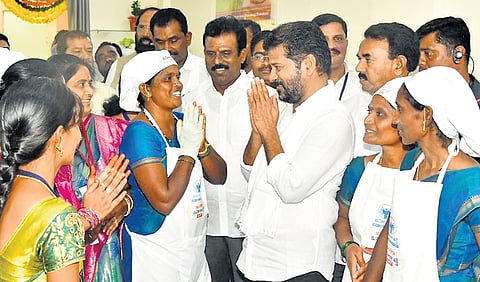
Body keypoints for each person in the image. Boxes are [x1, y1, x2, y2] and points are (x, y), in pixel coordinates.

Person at [236, 21, 354, 281]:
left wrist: (268, 131)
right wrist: (259, 129)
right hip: (255, 259)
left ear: (308, 65)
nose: (272, 76)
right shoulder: (287, 107)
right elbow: (250, 173)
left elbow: (291, 187)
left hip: (297, 268)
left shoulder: (333, 119)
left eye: (279, 67)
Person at [119, 50, 227, 281]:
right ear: (145, 89)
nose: (178, 84)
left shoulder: (183, 123)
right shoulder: (140, 133)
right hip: (154, 249)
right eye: (167, 79)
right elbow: (164, 201)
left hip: (193, 246)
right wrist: (188, 152)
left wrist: (202, 144)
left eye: (177, 76)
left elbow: (219, 176)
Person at [365, 66, 480, 281]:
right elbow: (392, 228)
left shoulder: (472, 183)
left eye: (401, 109)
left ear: (426, 115)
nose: (395, 120)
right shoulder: (411, 162)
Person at [48, 54, 131, 282]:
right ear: (58, 88)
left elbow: (132, 186)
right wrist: (87, 217)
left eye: (90, 84)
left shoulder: (113, 131)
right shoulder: (45, 139)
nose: (90, 92)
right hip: (63, 249)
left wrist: (122, 205)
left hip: (109, 246)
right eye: (81, 85)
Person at [0, 78, 85, 281]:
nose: (80, 136)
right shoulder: (59, 219)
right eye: (75, 125)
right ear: (58, 136)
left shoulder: (11, 187)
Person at [334, 77, 415, 282]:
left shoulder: (421, 176)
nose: (368, 120)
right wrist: (348, 246)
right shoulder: (359, 169)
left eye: (380, 114)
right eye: (369, 111)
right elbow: (341, 218)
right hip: (357, 273)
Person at [196, 15, 254, 282]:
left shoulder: (261, 96)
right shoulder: (193, 97)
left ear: (243, 55)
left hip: (249, 224)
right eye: (210, 53)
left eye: (226, 53)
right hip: (206, 224)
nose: (217, 61)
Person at [150, 7, 209, 112]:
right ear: (153, 41)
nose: (166, 48)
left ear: (188, 38)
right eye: (160, 42)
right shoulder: (146, 74)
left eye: (173, 40)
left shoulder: (206, 72)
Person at [416, 16, 480, 107]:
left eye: (428, 53)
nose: (419, 62)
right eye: (418, 55)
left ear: (458, 54)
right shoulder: (416, 102)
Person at [55, 30, 117, 115]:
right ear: (62, 55)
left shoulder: (107, 92)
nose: (86, 56)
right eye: (77, 51)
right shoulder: (53, 93)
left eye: (89, 51)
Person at [105, 7, 159, 89]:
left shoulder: (171, 64)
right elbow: (108, 98)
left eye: (151, 28)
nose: (145, 33)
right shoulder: (120, 64)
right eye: (141, 27)